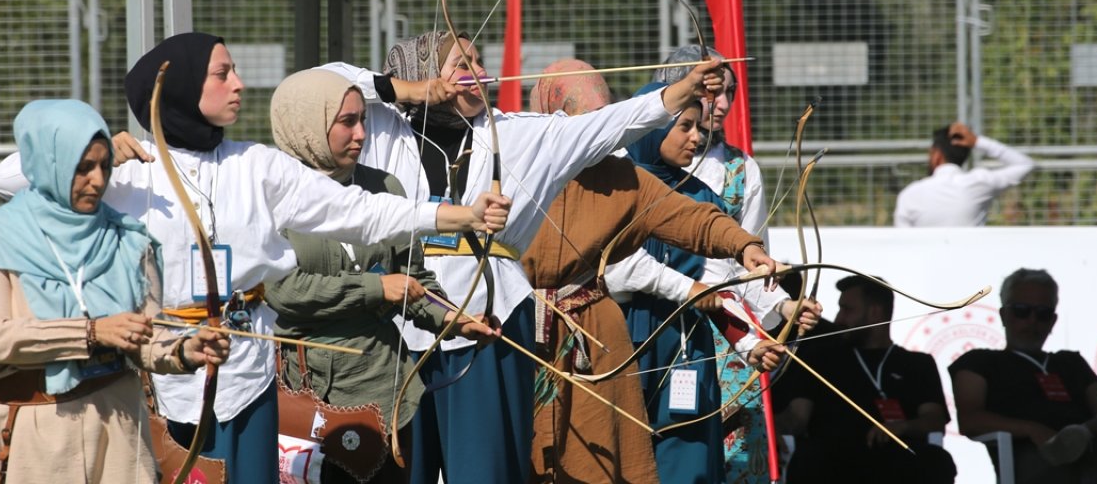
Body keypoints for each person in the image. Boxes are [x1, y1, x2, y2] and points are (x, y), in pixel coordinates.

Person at [0, 33, 511, 481]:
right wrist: (91, 148)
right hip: (167, 371)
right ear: (182, 87)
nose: (239, 83)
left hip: (249, 374)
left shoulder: (256, 166)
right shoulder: (130, 174)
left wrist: (461, 215)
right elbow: (7, 180)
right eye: (223, 74)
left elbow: (362, 212)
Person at [319, 31, 724, 484]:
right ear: (423, 73)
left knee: (484, 471)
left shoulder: (517, 134)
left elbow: (609, 124)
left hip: (485, 323)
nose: (478, 73)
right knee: (394, 471)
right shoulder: (376, 129)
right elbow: (318, 85)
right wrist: (406, 91)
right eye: (461, 63)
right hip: (394, 331)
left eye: (479, 61)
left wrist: (678, 93)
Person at [0, 99, 231, 483]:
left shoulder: (127, 237)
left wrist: (186, 350)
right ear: (49, 164)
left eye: (104, 165)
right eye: (83, 167)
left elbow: (147, 336)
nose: (99, 180)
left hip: (121, 430)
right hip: (32, 433)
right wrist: (91, 332)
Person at [522, 62, 795, 484]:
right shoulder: (511, 165)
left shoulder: (622, 177)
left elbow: (695, 220)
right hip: (521, 330)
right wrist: (690, 288)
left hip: (598, 338)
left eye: (599, 119)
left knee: (602, 463)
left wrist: (746, 246)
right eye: (579, 121)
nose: (696, 137)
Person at [265, 68, 499, 483]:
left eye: (363, 121)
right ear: (306, 126)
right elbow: (283, 290)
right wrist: (376, 288)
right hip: (308, 395)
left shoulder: (383, 186)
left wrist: (454, 319)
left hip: (386, 392)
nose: (360, 135)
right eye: (346, 122)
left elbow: (413, 277)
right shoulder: (271, 195)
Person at [608, 82, 813, 484]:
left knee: (687, 464)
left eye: (699, 128)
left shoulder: (702, 196)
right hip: (621, 336)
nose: (697, 137)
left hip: (685, 344)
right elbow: (616, 268)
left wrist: (769, 321)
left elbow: (721, 276)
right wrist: (689, 291)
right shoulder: (613, 186)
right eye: (684, 126)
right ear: (649, 126)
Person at [652, 46, 780, 482]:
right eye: (711, 90)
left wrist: (784, 311)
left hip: (731, 336)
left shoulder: (742, 170)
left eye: (729, 91)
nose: (723, 104)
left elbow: (753, 268)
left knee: (736, 461)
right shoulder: (639, 165)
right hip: (659, 328)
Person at [950, 268, 1097, 483]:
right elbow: (970, 420)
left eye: (1042, 314)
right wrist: (1032, 429)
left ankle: (1080, 435)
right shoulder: (980, 361)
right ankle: (1072, 441)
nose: (1032, 321)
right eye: (1022, 311)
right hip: (1034, 455)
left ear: (1053, 321)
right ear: (1004, 315)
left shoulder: (1070, 362)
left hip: (1093, 449)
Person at [778, 276, 956, 484]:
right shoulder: (821, 358)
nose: (838, 319)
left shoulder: (917, 364)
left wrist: (902, 427)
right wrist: (770, 429)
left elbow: (934, 420)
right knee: (809, 458)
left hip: (895, 456)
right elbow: (797, 416)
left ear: (875, 312)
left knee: (937, 460)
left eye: (847, 309)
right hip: (835, 457)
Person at [894, 122, 1034, 226]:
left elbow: (903, 243)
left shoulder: (910, 194)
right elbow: (1025, 164)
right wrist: (977, 141)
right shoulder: (979, 182)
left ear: (936, 155)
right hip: (972, 264)